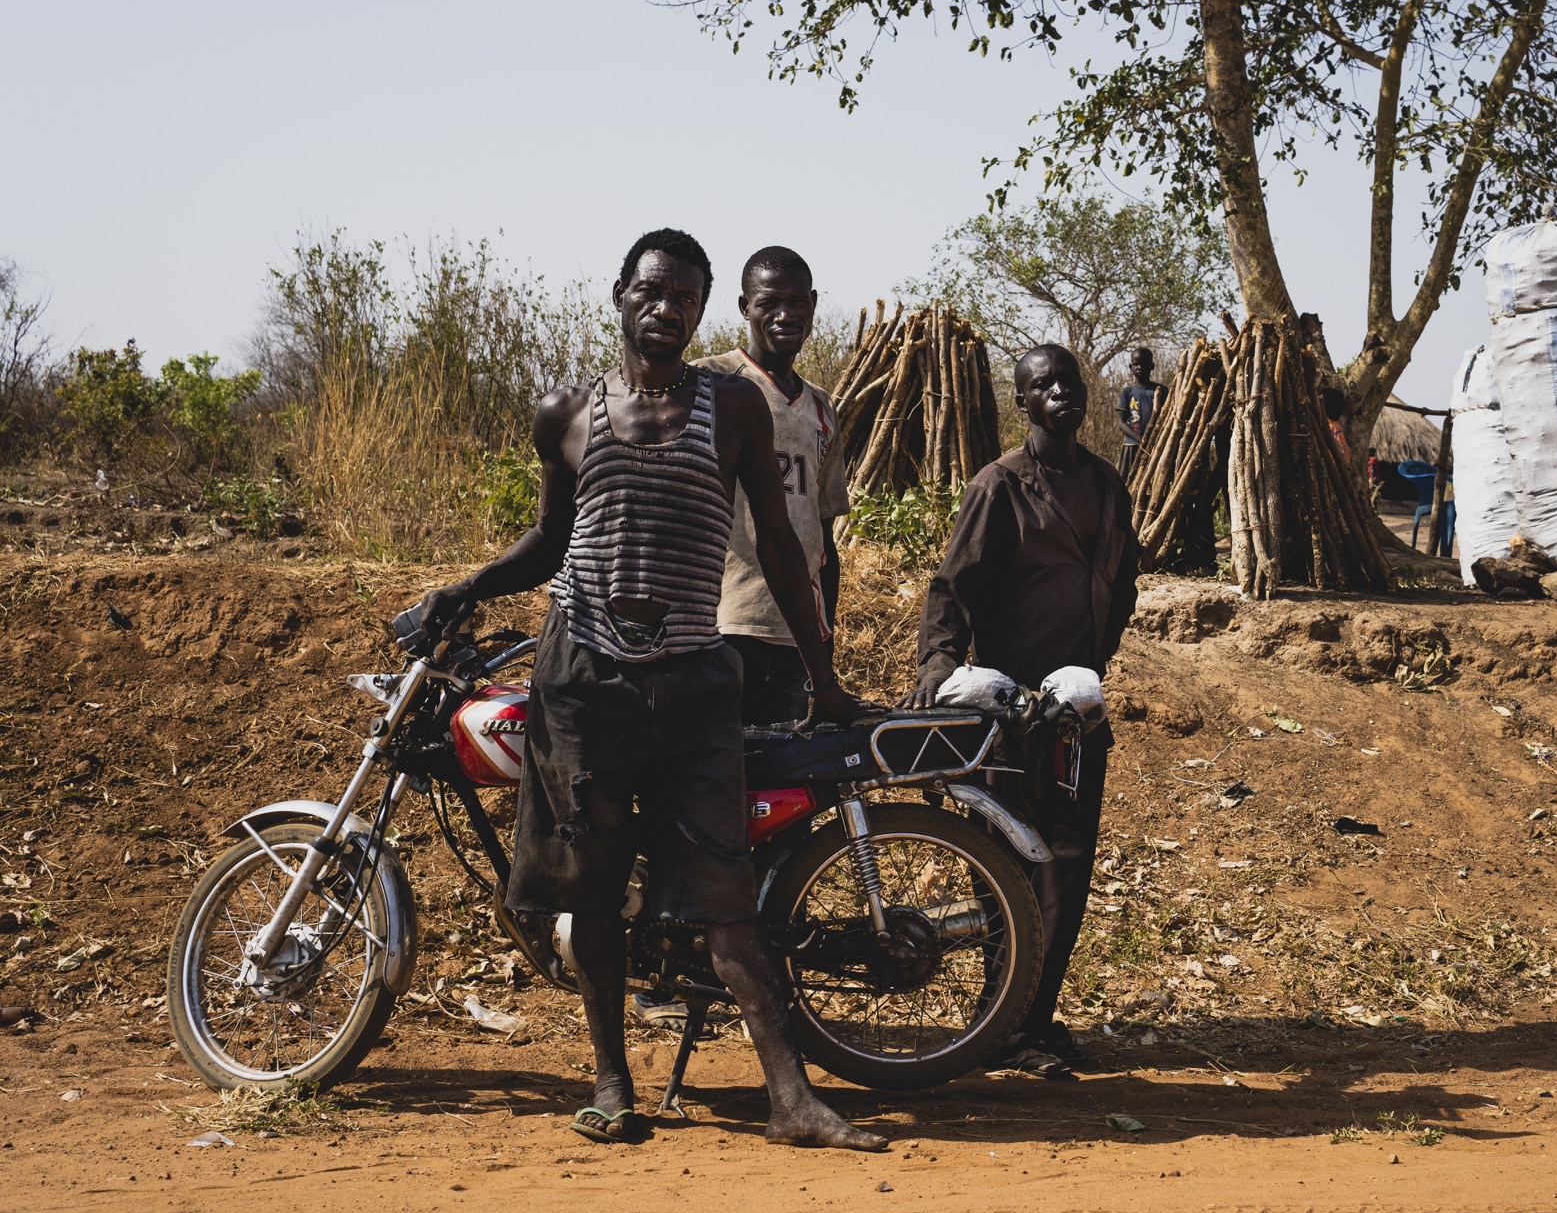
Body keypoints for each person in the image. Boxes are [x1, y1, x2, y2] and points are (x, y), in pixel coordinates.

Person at [418, 227, 884, 1151]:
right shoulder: (567, 413)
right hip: (585, 679)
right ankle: (611, 1079)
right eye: (652, 291)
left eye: (684, 297)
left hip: (694, 680)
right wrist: (467, 585)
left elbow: (788, 551)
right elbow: (551, 542)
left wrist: (825, 674)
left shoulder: (735, 409)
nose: (665, 308)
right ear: (620, 294)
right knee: (590, 891)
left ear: (703, 309)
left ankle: (790, 1098)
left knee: (727, 896)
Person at [907, 343, 1140, 1078]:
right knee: (1007, 862)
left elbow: (1124, 583)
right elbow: (952, 587)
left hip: (1074, 713)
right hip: (1007, 715)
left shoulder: (1107, 486)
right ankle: (1006, 1018)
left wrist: (1094, 660)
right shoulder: (1000, 486)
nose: (1061, 393)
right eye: (1044, 385)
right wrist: (938, 665)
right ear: (1023, 402)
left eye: (1069, 382)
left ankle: (1028, 1017)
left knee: (1068, 863)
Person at [694, 246, 849, 724]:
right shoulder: (708, 382)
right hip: (719, 623)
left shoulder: (822, 408)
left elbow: (820, 536)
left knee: (782, 787)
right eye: (769, 302)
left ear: (814, 304)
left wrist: (824, 636)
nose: (785, 315)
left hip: (796, 634)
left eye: (797, 302)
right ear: (745, 307)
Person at [1114, 348, 1162, 480]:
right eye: (1136, 364)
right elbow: (1121, 423)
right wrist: (1139, 439)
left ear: (1152, 366)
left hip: (1157, 445)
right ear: (1131, 367)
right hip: (1132, 446)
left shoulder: (1161, 391)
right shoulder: (1127, 392)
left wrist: (1153, 440)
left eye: (1144, 364)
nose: (1140, 367)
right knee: (1127, 481)